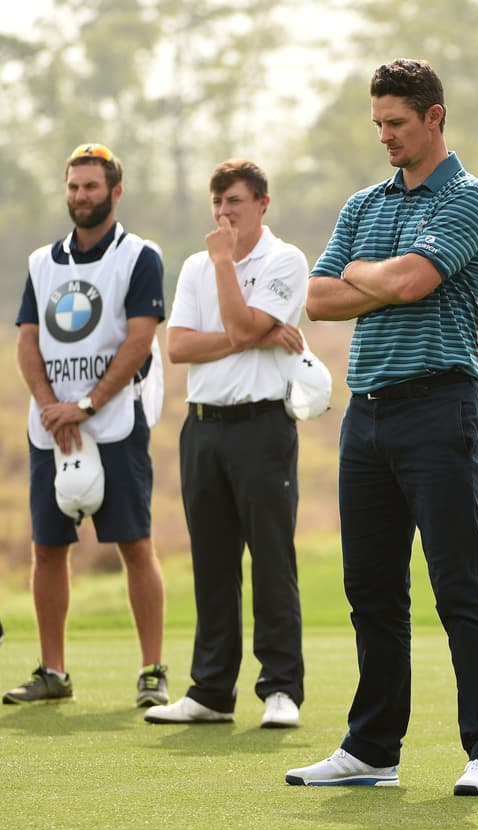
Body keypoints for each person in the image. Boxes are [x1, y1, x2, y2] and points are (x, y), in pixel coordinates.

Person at [284, 59, 478, 796]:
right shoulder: (363, 202)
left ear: (435, 117)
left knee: (457, 586)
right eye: (378, 123)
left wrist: (370, 276)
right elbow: (316, 299)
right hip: (368, 415)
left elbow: (416, 282)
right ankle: (373, 748)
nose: (385, 135)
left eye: (398, 123)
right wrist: (384, 275)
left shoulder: (469, 198)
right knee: (372, 591)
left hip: (440, 408)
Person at [145, 159, 309, 729]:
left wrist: (227, 273)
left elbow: (238, 327)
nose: (224, 213)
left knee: (271, 558)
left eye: (235, 202)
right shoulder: (194, 265)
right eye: (217, 204)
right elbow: (179, 347)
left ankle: (281, 688)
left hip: (263, 427)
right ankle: (212, 692)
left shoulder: (284, 260)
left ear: (262, 203)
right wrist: (258, 334)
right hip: (203, 428)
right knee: (212, 563)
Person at [5, 142, 169, 708]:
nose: (80, 196)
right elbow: (27, 341)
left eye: (91, 186)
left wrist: (89, 406)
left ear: (115, 192)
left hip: (117, 421)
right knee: (48, 548)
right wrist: (53, 406)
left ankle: (153, 671)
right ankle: (53, 672)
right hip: (51, 428)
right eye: (73, 186)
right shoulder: (41, 263)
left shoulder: (140, 256)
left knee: (134, 545)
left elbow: (139, 340)